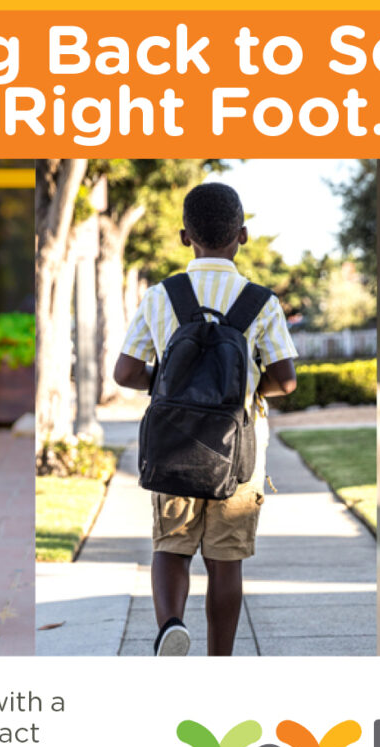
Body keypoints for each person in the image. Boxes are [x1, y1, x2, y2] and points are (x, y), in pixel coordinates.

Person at [113, 182, 298, 657]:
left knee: (170, 547)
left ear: (183, 236)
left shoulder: (161, 296)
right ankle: (220, 660)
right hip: (239, 450)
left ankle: (172, 625)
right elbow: (286, 379)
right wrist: (248, 388)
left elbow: (126, 372)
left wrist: (167, 386)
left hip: (173, 444)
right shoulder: (261, 302)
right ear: (242, 235)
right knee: (226, 559)